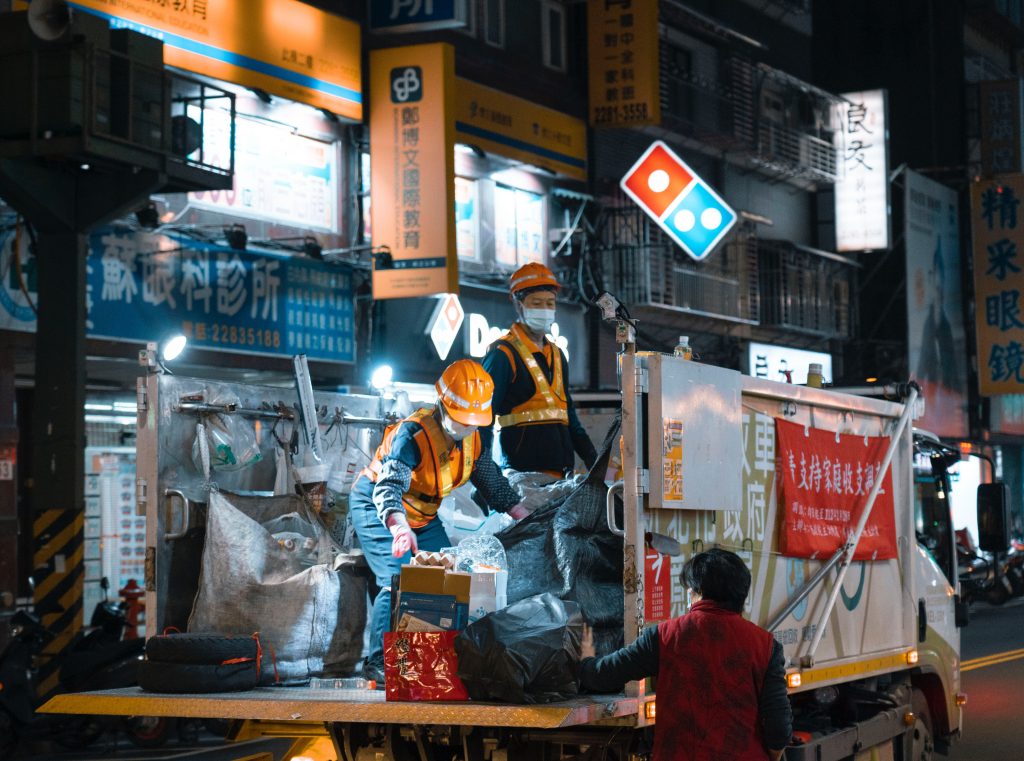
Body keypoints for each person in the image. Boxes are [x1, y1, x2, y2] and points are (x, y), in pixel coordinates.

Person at [349, 359, 527, 682]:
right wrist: (399, 527)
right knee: (397, 578)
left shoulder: (472, 438)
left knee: (447, 576)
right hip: (378, 505)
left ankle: (434, 656)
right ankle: (378, 662)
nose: (467, 427)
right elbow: (388, 485)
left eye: (473, 422)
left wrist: (520, 513)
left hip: (421, 515)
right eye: (462, 421)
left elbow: (490, 480)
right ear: (442, 406)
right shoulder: (413, 435)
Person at [579, 548, 792, 761]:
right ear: (742, 594)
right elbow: (778, 727)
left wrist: (586, 660)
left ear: (695, 591)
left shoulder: (664, 637)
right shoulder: (766, 646)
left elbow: (606, 675)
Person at [480, 262, 597, 477]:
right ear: (519, 304)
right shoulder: (503, 354)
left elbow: (569, 417)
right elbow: (482, 420)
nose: (545, 309)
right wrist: (487, 475)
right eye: (537, 303)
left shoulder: (557, 354)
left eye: (550, 303)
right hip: (522, 476)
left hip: (562, 474)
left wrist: (595, 463)